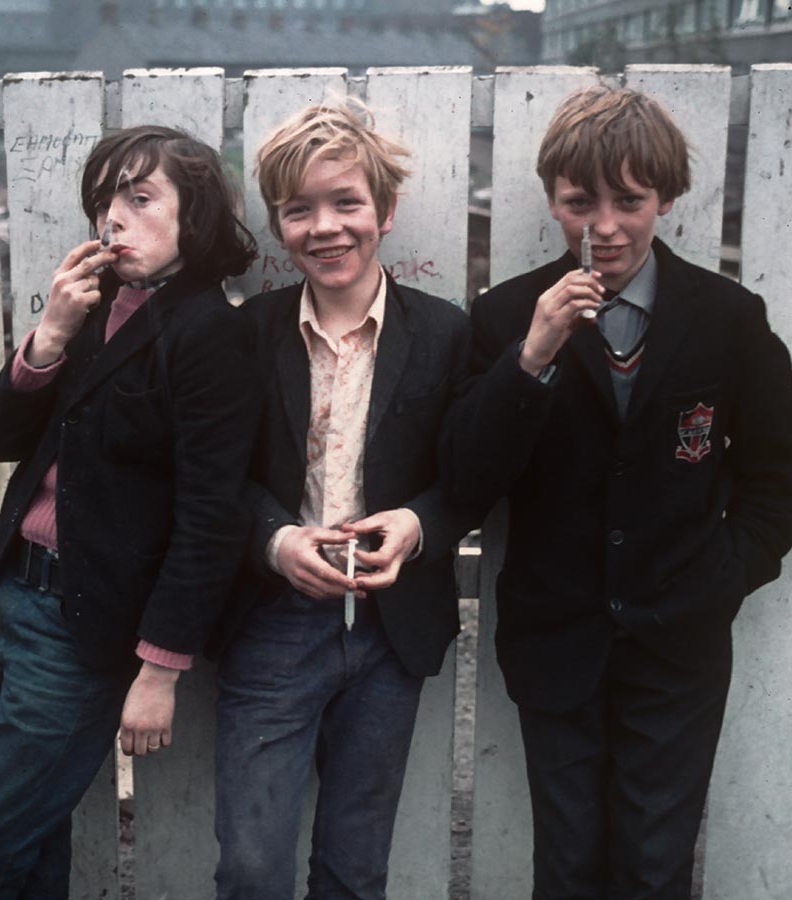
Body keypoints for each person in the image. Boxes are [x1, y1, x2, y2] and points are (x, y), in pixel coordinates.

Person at [445, 85, 792, 899]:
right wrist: (532, 356)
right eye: (580, 203)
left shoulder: (726, 318)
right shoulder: (506, 315)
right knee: (568, 865)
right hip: (556, 642)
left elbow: (782, 470)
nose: (605, 227)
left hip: (679, 643)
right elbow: (468, 478)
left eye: (630, 202)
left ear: (666, 199)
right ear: (552, 199)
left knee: (655, 865)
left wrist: (725, 574)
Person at [0, 125, 261, 900]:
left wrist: (160, 668)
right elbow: (2, 440)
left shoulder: (209, 333)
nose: (112, 218)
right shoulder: (91, 307)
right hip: (15, 597)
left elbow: (212, 514)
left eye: (139, 198)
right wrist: (49, 335)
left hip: (79, 627)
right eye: (103, 202)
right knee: (30, 843)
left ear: (195, 216)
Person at [209, 99, 481, 900]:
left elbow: (471, 477)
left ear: (385, 211)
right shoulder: (248, 334)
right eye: (299, 210)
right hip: (273, 624)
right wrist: (274, 540)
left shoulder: (444, 333)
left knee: (355, 868)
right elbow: (212, 475)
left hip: (390, 633)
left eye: (346, 203)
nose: (325, 227)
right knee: (252, 867)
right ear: (278, 225)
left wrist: (420, 524)